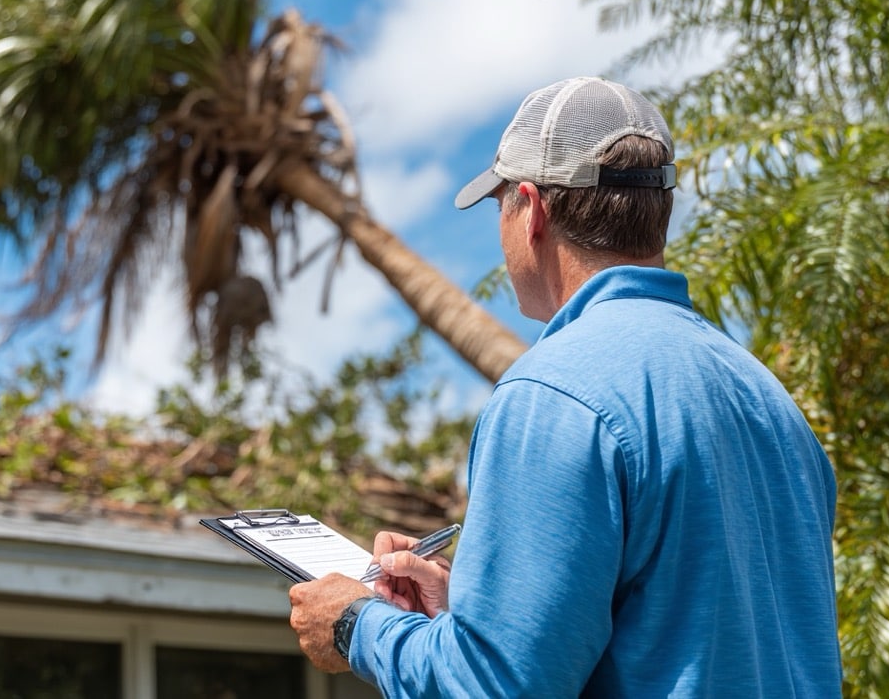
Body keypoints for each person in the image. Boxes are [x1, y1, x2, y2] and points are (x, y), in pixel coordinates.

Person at [288, 76, 842, 696]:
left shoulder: (553, 394)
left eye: (500, 205)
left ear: (533, 210)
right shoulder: (769, 400)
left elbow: (496, 689)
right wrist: (466, 618)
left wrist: (356, 626)